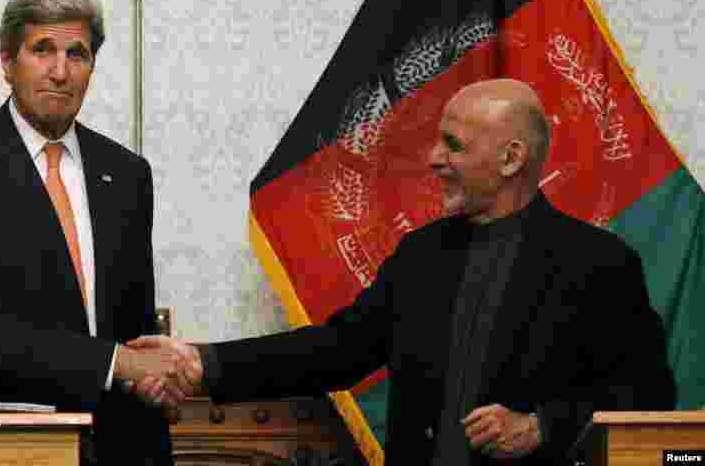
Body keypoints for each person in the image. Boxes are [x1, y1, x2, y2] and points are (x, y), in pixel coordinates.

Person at [132, 78, 675, 465]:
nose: (434, 158)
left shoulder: (599, 265)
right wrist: (203, 362)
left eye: (454, 145)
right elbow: (336, 350)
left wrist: (542, 425)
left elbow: (647, 395)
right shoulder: (422, 255)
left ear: (511, 159)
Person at [0, 0, 179, 465]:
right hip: (8, 447)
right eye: (42, 50)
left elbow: (135, 326)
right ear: (7, 62)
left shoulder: (127, 175)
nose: (60, 72)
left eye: (77, 54)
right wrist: (118, 363)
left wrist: (154, 378)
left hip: (122, 445)